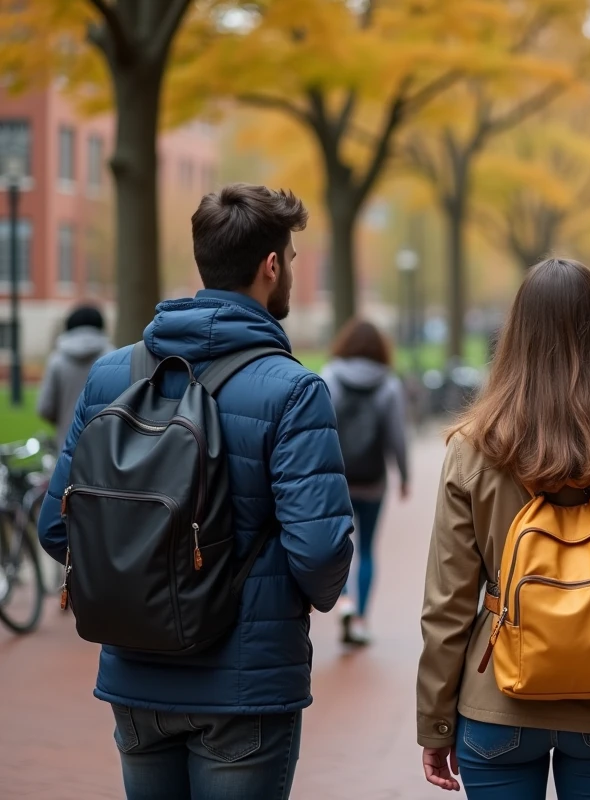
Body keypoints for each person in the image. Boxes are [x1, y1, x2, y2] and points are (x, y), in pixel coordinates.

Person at [37, 184, 354, 800]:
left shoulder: (111, 375)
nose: (288, 269)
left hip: (134, 676)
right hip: (244, 686)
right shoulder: (293, 391)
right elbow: (319, 553)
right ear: (270, 267)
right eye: (289, 259)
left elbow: (58, 528)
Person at [417, 258, 590, 799]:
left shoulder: (475, 444)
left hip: (497, 697)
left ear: (515, 333)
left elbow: (448, 600)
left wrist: (436, 720)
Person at [322, 318, 409, 646]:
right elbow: (398, 436)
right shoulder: (388, 384)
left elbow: (318, 426)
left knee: (339, 545)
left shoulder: (330, 375)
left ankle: (343, 600)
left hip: (338, 478)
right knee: (368, 549)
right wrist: (404, 475)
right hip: (374, 481)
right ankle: (360, 620)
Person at [37, 304, 113, 450]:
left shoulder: (57, 361)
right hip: (106, 447)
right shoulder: (114, 357)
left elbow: (45, 408)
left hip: (68, 444)